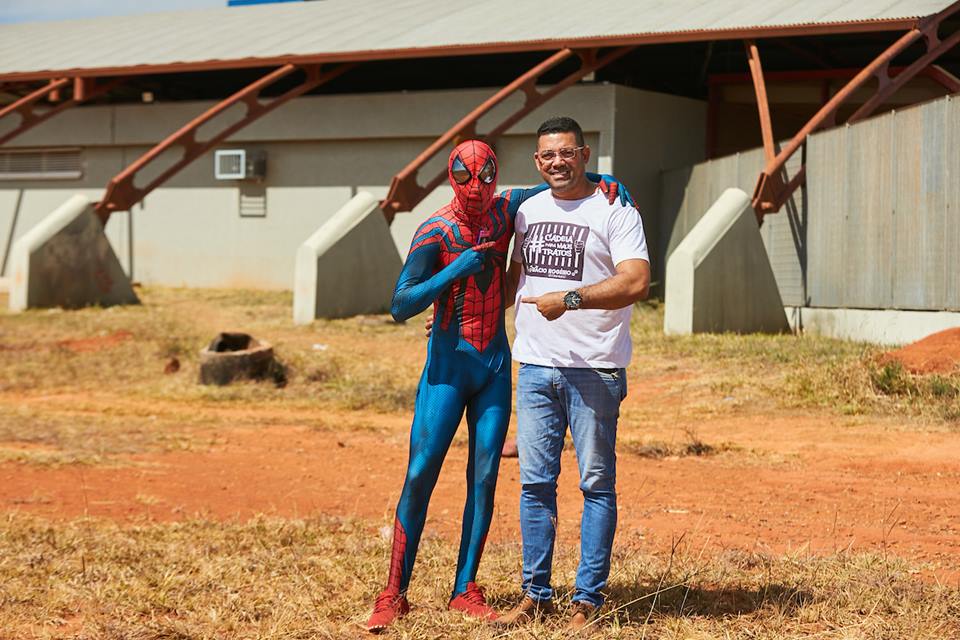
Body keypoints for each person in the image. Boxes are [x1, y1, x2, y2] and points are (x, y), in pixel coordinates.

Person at [365, 139, 631, 633]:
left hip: (494, 365)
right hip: (447, 366)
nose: (476, 188)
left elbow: (555, 183)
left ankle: (464, 588)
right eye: (465, 178)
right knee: (421, 472)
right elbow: (400, 305)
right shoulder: (435, 229)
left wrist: (607, 182)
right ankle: (393, 592)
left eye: (486, 176)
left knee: (485, 476)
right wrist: (455, 271)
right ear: (450, 177)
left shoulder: (506, 209)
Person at [496, 116, 650, 632]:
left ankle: (587, 598)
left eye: (567, 153)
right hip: (536, 366)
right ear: (537, 162)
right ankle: (534, 595)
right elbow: (514, 272)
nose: (557, 162)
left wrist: (571, 298)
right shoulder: (526, 209)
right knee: (534, 484)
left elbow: (635, 281)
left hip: (595, 368)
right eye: (547, 156)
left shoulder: (615, 206)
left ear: (585, 155)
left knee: (596, 483)